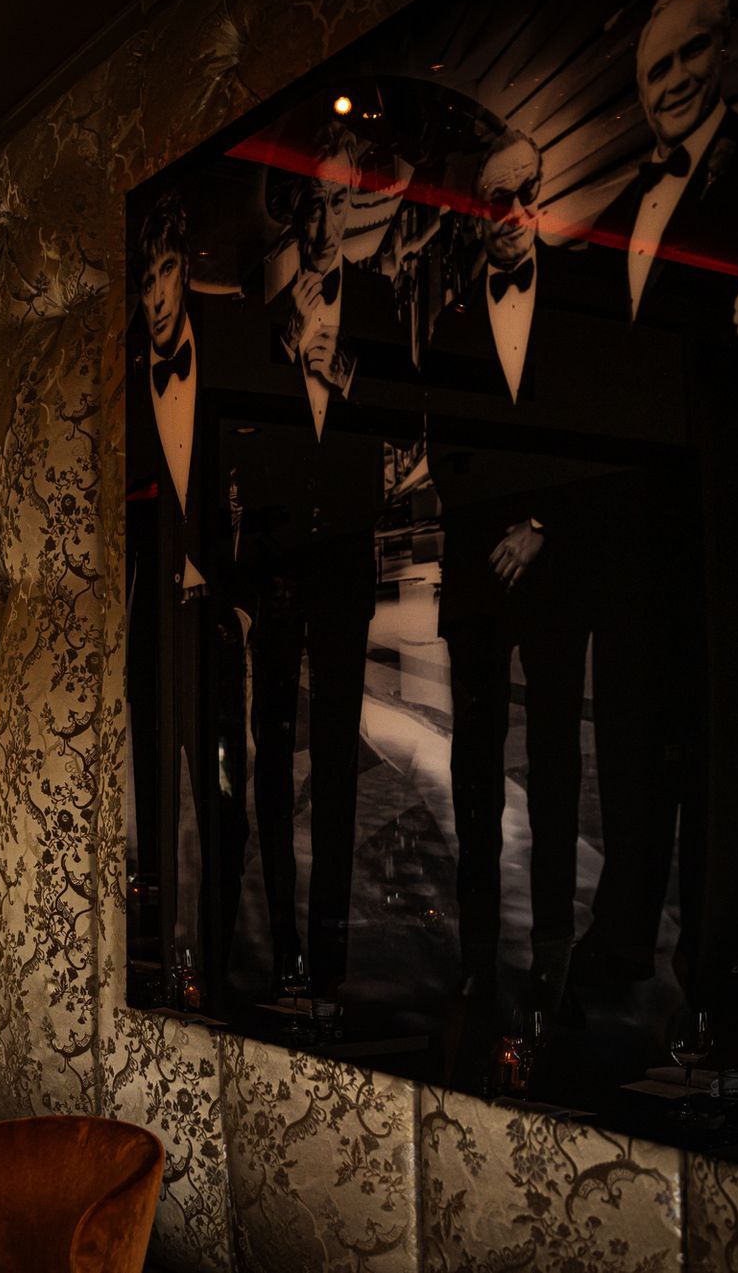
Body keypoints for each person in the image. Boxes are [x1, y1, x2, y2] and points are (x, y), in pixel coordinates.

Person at [572, 0, 738, 1040]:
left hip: (719, 514)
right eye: (654, 68)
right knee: (628, 747)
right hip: (631, 527)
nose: (672, 81)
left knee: (726, 760)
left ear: (726, 49)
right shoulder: (618, 212)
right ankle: (620, 941)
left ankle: (718, 980)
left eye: (690, 54)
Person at [418, 129, 608, 1012]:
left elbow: (593, 432)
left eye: (525, 192)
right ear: (477, 212)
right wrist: (500, 523)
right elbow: (443, 445)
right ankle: (479, 943)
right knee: (474, 768)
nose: (513, 213)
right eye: (496, 199)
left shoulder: (579, 303)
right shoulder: (452, 322)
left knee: (559, 763)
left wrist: (541, 523)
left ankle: (559, 950)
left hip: (556, 566)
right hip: (475, 575)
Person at [230, 117, 405, 999]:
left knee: (336, 756)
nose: (325, 219)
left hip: (340, 563)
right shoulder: (264, 323)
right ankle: (282, 942)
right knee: (271, 751)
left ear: (352, 208)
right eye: (312, 202)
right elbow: (243, 451)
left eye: (339, 201)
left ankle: (328, 951)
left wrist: (347, 381)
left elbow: (412, 429)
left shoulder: (376, 312)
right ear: (295, 212)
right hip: (272, 568)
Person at [124, 191, 252, 1007]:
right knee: (154, 793)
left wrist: (229, 587)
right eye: (147, 280)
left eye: (169, 272)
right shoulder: (125, 386)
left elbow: (256, 482)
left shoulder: (230, 360)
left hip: (211, 617)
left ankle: (225, 951)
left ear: (187, 276)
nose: (159, 294)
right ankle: (161, 964)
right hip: (148, 623)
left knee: (221, 790)